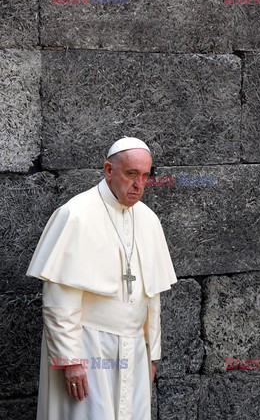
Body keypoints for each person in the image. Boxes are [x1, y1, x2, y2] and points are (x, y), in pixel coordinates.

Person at [26, 137, 177, 420]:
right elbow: (59, 300)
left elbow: (152, 297)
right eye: (131, 174)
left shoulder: (149, 220)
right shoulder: (76, 214)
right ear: (108, 169)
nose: (139, 185)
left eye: (145, 176)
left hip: (134, 349)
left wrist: (151, 354)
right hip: (88, 347)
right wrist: (70, 361)